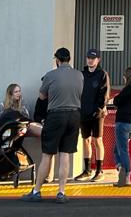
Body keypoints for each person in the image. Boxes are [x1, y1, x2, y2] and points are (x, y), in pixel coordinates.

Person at [21, 47, 83, 205]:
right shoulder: (79, 75)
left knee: (48, 154)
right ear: (69, 59)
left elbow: (42, 95)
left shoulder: (50, 75)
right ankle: (61, 192)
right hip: (74, 115)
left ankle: (36, 191)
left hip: (56, 115)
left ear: (57, 59)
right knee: (65, 154)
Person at [74, 48, 110, 182]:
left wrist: (100, 109)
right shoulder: (81, 74)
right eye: (88, 57)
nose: (90, 60)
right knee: (85, 140)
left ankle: (99, 170)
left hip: (97, 114)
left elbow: (105, 94)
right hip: (83, 113)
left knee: (97, 140)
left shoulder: (102, 74)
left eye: (93, 58)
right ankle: (87, 170)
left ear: (98, 60)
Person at [111, 66, 131, 188]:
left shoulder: (129, 88)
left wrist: (117, 97)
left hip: (123, 122)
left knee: (123, 150)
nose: (123, 77)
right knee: (117, 149)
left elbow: (116, 101)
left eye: (125, 75)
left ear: (128, 76)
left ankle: (126, 175)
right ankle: (122, 171)